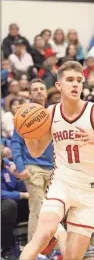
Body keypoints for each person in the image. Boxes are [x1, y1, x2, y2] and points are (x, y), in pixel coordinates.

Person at [19, 61, 94, 260]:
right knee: (42, 235)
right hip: (62, 182)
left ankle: (61, 232)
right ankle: (56, 230)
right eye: (70, 80)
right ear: (58, 86)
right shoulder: (50, 113)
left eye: (79, 80)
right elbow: (36, 152)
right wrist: (26, 132)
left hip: (88, 189)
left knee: (72, 257)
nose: (75, 84)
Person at [12, 79, 53, 242]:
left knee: (54, 210)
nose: (39, 91)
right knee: (38, 209)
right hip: (33, 168)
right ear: (29, 94)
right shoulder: (23, 115)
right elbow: (16, 143)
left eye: (42, 88)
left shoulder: (53, 113)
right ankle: (34, 251)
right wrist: (21, 167)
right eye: (34, 89)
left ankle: (53, 248)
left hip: (54, 169)